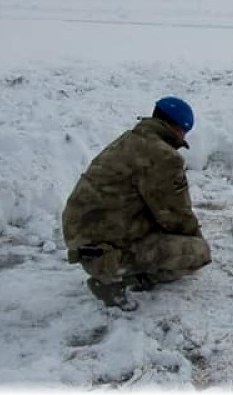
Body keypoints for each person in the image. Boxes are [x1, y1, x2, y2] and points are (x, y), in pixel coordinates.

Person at [62, 96, 212, 311]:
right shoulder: (163, 156)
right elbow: (174, 215)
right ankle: (119, 278)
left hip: (82, 234)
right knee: (198, 252)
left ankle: (115, 267)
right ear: (179, 129)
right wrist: (194, 237)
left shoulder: (131, 139)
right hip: (103, 248)